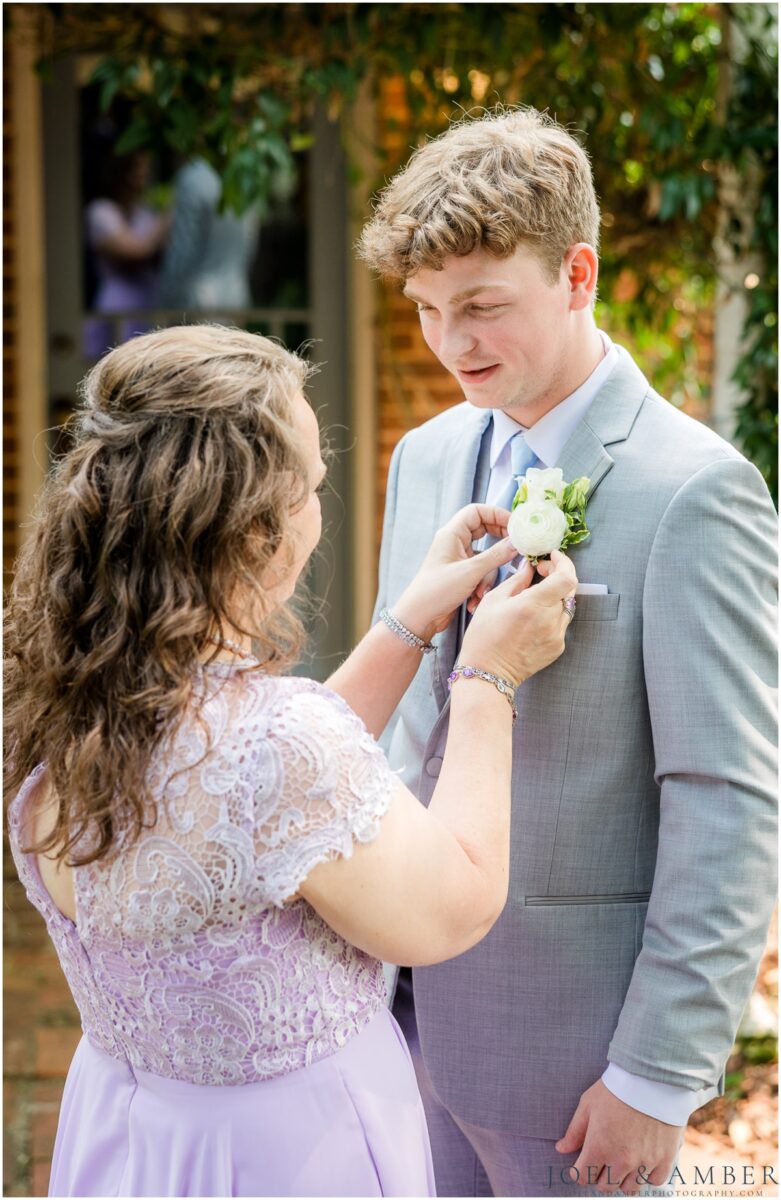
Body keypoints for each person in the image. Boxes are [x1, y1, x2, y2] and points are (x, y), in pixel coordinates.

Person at [4, 324, 578, 1198]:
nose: (321, 501)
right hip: (285, 1154)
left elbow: (246, 801)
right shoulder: (272, 747)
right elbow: (453, 906)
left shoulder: (69, 697)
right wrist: (487, 676)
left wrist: (408, 623)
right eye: (310, 486)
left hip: (129, 1139)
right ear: (253, 532)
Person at [358, 107, 778, 1198]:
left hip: (576, 1063)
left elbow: (728, 802)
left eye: (484, 306)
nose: (451, 343)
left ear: (578, 272)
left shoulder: (696, 490)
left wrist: (657, 1074)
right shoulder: (426, 453)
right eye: (427, 310)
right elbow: (412, 734)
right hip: (400, 1027)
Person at [84, 150, 170, 358]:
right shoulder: (100, 212)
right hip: (118, 304)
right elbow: (137, 251)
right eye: (138, 169)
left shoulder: (144, 211)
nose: (143, 176)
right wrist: (171, 213)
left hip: (148, 300)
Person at [157, 158, 260, 311]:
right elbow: (249, 243)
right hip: (236, 297)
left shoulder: (193, 178)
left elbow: (182, 252)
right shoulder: (244, 175)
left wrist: (166, 303)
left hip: (197, 301)